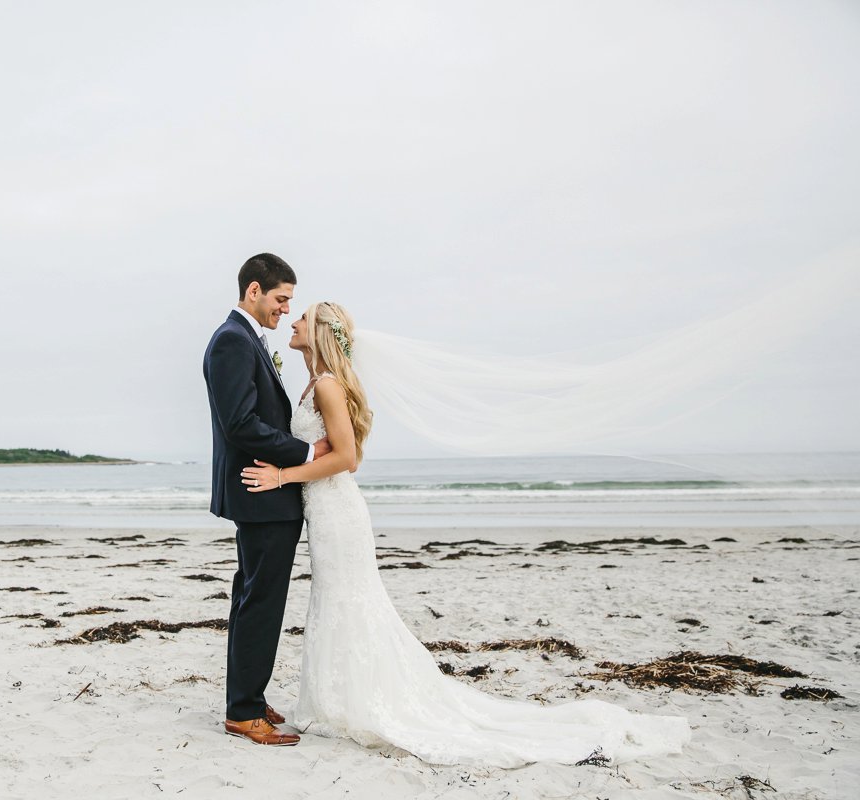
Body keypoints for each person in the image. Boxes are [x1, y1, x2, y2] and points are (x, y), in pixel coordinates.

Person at [240, 301, 691, 766]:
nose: (292, 321)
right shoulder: (314, 383)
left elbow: (348, 459)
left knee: (348, 602)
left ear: (318, 333)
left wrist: (284, 477)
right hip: (325, 511)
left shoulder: (330, 387)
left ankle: (358, 703)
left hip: (337, 511)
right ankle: (335, 700)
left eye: (303, 318)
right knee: (335, 602)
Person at [202, 253, 330, 746]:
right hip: (262, 490)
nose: (285, 309)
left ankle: (248, 697)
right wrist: (304, 450)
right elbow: (240, 424)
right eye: (281, 299)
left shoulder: (245, 339)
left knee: (251, 597)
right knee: (261, 602)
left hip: (262, 491)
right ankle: (242, 712)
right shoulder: (233, 341)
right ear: (253, 290)